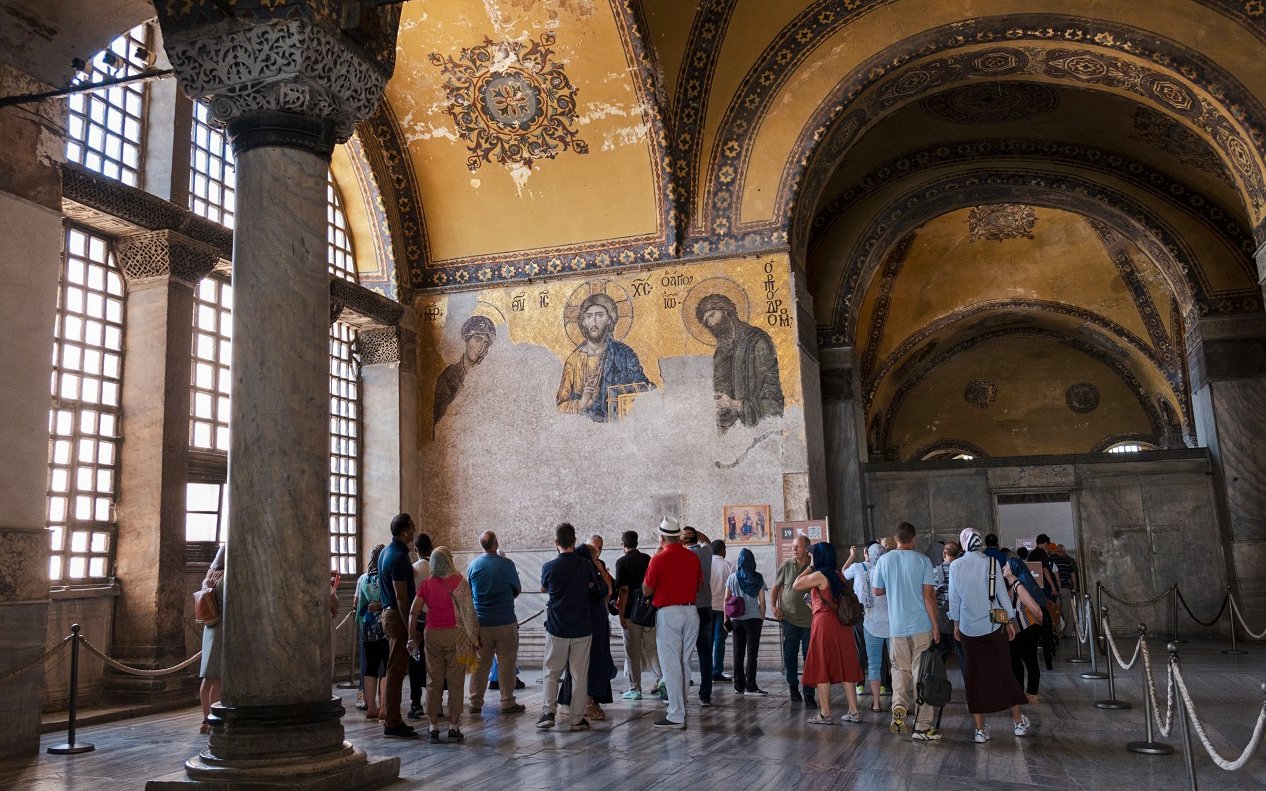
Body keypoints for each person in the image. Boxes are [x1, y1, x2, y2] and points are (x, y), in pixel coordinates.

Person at [949, 529, 1032, 743]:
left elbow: (954, 600)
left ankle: (979, 730)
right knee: (1004, 672)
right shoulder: (992, 563)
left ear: (963, 544)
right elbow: (1002, 597)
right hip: (994, 626)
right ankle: (1017, 723)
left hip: (968, 629)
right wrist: (1011, 621)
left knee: (974, 676)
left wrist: (957, 624)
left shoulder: (956, 566)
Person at [872, 521, 941, 741]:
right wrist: (936, 626)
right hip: (920, 625)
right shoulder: (923, 561)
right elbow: (929, 596)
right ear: (914, 539)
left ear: (895, 539)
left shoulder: (884, 560)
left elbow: (877, 590)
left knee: (899, 670)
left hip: (897, 627)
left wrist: (894, 586)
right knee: (923, 673)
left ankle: (899, 709)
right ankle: (922, 726)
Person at [412, 546, 480, 744]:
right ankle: (453, 727)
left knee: (433, 680)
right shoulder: (460, 582)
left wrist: (411, 635)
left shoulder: (426, 584)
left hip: (432, 634)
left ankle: (432, 728)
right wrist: (475, 636)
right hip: (456, 635)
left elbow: (413, 611)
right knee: (455, 682)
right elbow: (469, 613)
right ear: (449, 561)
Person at [538, 522, 599, 731]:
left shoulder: (549, 567)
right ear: (574, 541)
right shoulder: (586, 565)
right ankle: (576, 718)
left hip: (557, 627)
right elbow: (591, 586)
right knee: (579, 675)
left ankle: (548, 712)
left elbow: (543, 587)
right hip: (582, 627)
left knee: (552, 671)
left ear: (556, 543)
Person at [793, 542, 863, 724]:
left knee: (822, 664)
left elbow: (796, 584)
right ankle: (854, 711)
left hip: (824, 624)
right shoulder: (838, 575)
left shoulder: (819, 575)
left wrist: (810, 566)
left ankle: (825, 713)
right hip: (842, 624)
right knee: (846, 664)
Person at [643, 516, 702, 729]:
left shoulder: (657, 559)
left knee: (671, 666)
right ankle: (681, 708)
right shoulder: (692, 557)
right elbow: (699, 586)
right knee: (685, 662)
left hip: (669, 613)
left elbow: (647, 590)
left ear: (661, 538)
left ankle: (676, 714)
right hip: (691, 611)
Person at [556, 292, 652, 422]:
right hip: (585, 430)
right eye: (589, 316)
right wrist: (582, 403)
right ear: (583, 322)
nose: (594, 322)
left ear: (609, 319)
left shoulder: (624, 354)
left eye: (599, 315)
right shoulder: (573, 362)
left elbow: (645, 389)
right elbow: (560, 406)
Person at [696, 292, 784, 430]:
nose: (712, 323)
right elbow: (721, 394)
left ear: (726, 310)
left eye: (712, 315)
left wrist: (735, 404)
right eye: (707, 322)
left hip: (762, 428)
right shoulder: (720, 354)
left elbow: (774, 402)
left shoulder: (756, 340)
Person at [466, 531, 525, 715]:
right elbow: (517, 590)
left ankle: (475, 702)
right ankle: (507, 702)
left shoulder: (473, 565)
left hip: (482, 623)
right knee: (507, 663)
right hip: (505, 621)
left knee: (480, 665)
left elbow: (469, 592)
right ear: (496, 543)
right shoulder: (507, 564)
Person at [562, 543, 615, 721]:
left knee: (582, 663)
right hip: (593, 624)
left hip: (588, 623)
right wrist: (605, 575)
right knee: (592, 662)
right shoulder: (590, 573)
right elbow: (607, 593)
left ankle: (577, 702)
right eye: (594, 557)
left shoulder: (578, 573)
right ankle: (588, 702)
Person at [378, 513, 419, 739]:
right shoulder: (399, 557)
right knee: (396, 670)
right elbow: (401, 596)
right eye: (411, 528)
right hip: (397, 615)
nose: (414, 531)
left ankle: (392, 717)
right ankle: (392, 721)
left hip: (388, 613)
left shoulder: (386, 551)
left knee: (395, 668)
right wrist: (410, 627)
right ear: (404, 531)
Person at [614, 530, 661, 701]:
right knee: (651, 649)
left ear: (623, 544)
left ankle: (635, 688)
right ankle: (661, 680)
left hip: (630, 613)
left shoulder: (622, 562)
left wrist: (620, 615)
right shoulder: (647, 559)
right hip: (648, 611)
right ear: (637, 542)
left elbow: (624, 590)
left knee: (632, 652)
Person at [771, 534, 815, 706]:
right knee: (790, 654)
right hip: (789, 618)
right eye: (793, 546)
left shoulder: (814, 566)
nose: (794, 549)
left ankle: (809, 692)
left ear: (806, 548)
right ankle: (793, 686)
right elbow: (776, 587)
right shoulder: (787, 566)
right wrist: (774, 607)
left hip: (810, 621)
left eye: (797, 546)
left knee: (809, 657)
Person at [844, 542, 888, 711]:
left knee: (868, 658)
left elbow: (842, 574)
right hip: (890, 622)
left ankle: (874, 700)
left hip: (868, 619)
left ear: (866, 552)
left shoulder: (859, 568)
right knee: (891, 659)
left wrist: (851, 555)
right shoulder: (888, 572)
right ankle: (891, 692)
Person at [433, 315, 495, 427]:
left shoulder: (486, 376)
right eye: (477, 340)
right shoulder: (450, 376)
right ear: (467, 339)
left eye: (485, 344)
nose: (481, 348)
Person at [724, 547, 768, 695]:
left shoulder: (732, 577)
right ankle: (751, 685)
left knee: (738, 652)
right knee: (752, 653)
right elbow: (762, 601)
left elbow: (726, 600)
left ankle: (739, 686)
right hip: (753, 619)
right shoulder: (758, 578)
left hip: (736, 619)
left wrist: (726, 619)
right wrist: (761, 618)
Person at [354, 544, 389, 720]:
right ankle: (384, 707)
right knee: (386, 667)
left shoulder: (363, 579)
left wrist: (362, 625)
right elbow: (391, 601)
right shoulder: (385, 578)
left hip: (368, 627)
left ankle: (371, 708)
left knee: (371, 666)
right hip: (384, 625)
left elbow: (359, 605)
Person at [681, 525, 714, 706]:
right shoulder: (707, 552)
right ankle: (705, 695)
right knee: (705, 652)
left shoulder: (685, 556)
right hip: (706, 607)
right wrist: (694, 533)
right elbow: (706, 540)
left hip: (688, 606)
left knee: (684, 652)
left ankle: (682, 692)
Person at [1005, 557, 1045, 705]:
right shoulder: (1012, 585)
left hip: (1027, 629)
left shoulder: (1019, 585)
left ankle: (1032, 694)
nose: (1004, 568)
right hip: (1019, 629)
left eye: (1007, 566)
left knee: (1030, 661)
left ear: (1013, 569)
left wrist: (1038, 624)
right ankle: (1020, 692)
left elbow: (1035, 608)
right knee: (1017, 661)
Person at [198, 545, 225, 735]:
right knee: (217, 678)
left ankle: (206, 719)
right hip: (222, 628)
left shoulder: (208, 579)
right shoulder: (225, 578)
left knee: (208, 677)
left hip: (210, 627)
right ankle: (212, 720)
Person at [407, 532, 433, 720]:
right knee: (436, 663)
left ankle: (416, 703)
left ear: (416, 550)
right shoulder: (439, 568)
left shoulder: (414, 569)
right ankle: (436, 702)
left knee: (416, 663)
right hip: (436, 621)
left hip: (419, 620)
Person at [935, 541, 967, 671]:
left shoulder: (935, 571)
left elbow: (930, 595)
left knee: (939, 656)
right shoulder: (963, 571)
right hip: (959, 617)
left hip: (940, 618)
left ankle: (937, 687)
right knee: (962, 655)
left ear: (944, 553)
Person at [709, 539, 733, 682]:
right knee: (719, 641)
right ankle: (717, 671)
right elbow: (733, 590)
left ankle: (707, 671)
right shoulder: (728, 566)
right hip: (723, 609)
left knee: (708, 640)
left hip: (707, 607)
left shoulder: (706, 565)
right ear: (722, 550)